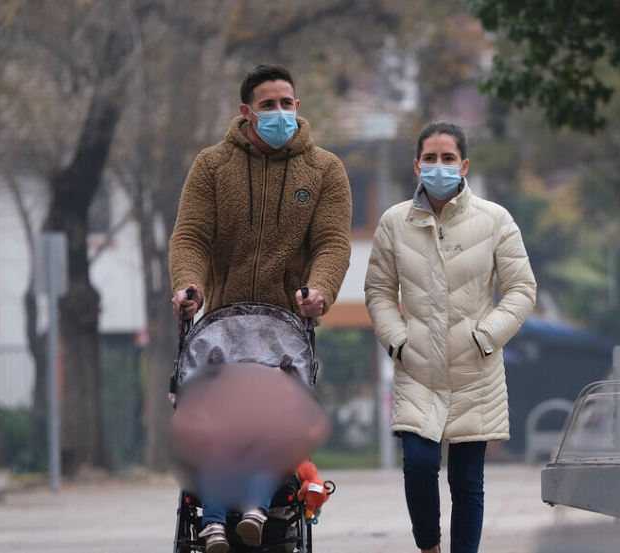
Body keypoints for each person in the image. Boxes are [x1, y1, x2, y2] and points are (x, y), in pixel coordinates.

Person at [169, 63, 352, 553]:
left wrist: (320, 291)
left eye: (286, 103)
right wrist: (189, 286)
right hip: (222, 328)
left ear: (298, 106)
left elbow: (332, 243)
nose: (279, 113)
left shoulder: (325, 170)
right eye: (268, 105)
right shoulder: (211, 166)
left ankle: (257, 508)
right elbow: (191, 237)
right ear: (246, 111)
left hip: (286, 331)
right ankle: (216, 518)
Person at [364, 121, 537, 553]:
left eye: (447, 158)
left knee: (466, 481)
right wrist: (398, 342)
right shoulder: (393, 223)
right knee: (419, 467)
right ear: (417, 165)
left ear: (463, 165)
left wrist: (486, 336)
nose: (438, 166)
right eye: (429, 158)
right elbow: (378, 292)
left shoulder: (495, 220)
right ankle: (429, 547)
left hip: (473, 368)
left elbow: (522, 289)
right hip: (418, 367)